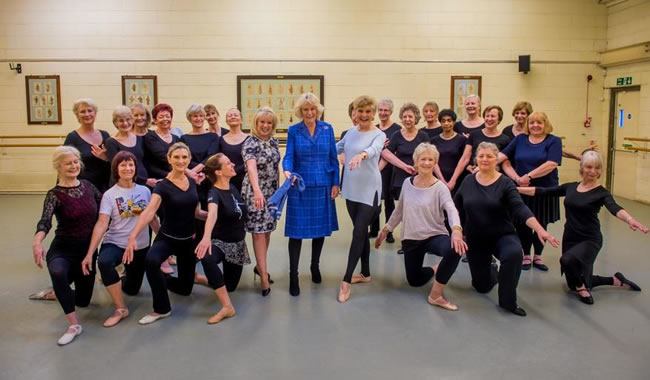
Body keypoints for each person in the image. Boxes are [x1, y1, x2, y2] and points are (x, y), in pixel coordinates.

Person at [518, 151, 648, 304]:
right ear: (582, 168)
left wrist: (629, 219)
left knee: (567, 261)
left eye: (597, 168)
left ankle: (582, 289)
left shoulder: (601, 193)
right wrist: (514, 189)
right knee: (573, 283)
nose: (593, 171)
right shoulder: (571, 187)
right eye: (589, 167)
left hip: (589, 239)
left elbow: (615, 208)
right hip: (570, 237)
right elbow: (542, 191)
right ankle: (615, 280)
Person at [454, 142, 559, 316]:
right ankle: (493, 270)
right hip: (477, 238)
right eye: (481, 156)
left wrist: (540, 230)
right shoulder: (468, 180)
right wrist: (457, 231)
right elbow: (455, 207)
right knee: (481, 286)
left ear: (497, 159)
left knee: (513, 254)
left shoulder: (505, 183)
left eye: (489, 156)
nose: (485, 159)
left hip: (502, 234)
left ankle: (508, 301)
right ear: (476, 159)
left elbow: (520, 208)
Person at [376, 143, 466, 311]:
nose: (426, 163)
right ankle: (436, 268)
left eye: (430, 159)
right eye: (423, 159)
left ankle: (436, 295)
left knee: (455, 249)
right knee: (414, 280)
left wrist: (456, 230)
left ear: (435, 162)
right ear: (415, 162)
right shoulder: (406, 183)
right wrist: (386, 229)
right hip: (411, 238)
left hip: (434, 235)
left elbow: (451, 209)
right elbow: (400, 209)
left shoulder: (440, 187)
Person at [125, 142, 207, 325]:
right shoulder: (163, 186)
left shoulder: (193, 182)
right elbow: (149, 212)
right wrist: (132, 236)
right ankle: (161, 309)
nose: (181, 161)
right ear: (169, 159)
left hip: (188, 241)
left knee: (186, 289)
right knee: (151, 260)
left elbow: (197, 213)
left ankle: (164, 280)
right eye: (176, 157)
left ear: (190, 159)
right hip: (167, 238)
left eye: (184, 157)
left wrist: (216, 216)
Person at [32, 146, 102, 345]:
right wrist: (37, 242)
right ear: (58, 167)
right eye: (68, 163)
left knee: (83, 300)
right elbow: (45, 221)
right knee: (58, 272)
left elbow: (106, 210)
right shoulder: (54, 194)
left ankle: (55, 291)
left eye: (75, 162)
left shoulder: (89, 187)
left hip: (87, 252)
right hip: (63, 248)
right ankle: (73, 325)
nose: (73, 166)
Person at [81, 151, 158, 327]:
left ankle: (118, 277)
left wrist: (164, 242)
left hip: (140, 247)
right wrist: (89, 253)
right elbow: (101, 224)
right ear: (116, 168)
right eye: (123, 165)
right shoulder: (110, 195)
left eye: (131, 164)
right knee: (105, 262)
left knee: (132, 289)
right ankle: (120, 308)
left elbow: (152, 219)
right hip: (116, 243)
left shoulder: (145, 191)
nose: (128, 168)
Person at [282, 93, 339, 296]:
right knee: (296, 233)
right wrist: (287, 171)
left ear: (318, 110)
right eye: (305, 109)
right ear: (300, 111)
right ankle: (293, 275)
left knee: (319, 231)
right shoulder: (293, 131)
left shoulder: (327, 128)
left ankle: (315, 266)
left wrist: (335, 183)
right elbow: (288, 156)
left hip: (323, 184)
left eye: (312, 108)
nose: (309, 112)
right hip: (300, 186)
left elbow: (333, 157)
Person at [336, 95, 386, 303]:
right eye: (360, 111)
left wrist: (361, 155)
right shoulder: (349, 134)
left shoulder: (379, 135)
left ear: (373, 113)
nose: (364, 115)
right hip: (351, 188)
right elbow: (336, 148)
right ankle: (365, 273)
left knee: (358, 232)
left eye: (368, 111)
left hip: (369, 190)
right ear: (354, 112)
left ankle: (346, 279)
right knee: (361, 231)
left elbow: (374, 150)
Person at [499, 111, 562, 272]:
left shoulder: (553, 141)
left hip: (545, 189)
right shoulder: (520, 139)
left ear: (545, 124)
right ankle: (526, 254)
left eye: (539, 122)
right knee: (522, 223)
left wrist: (529, 176)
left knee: (541, 222)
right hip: (522, 188)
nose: (535, 126)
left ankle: (538, 256)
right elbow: (504, 155)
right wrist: (482, 164)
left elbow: (552, 163)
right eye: (532, 122)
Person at [194, 153, 250, 323]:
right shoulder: (214, 192)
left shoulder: (232, 188)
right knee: (207, 258)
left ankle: (201, 279)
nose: (233, 164)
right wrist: (206, 238)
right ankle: (227, 307)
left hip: (237, 245)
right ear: (218, 172)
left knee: (230, 286)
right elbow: (212, 214)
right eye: (228, 163)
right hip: (219, 241)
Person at [242, 107, 281, 297]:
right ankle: (264, 277)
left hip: (272, 192)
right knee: (258, 233)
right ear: (256, 124)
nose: (265, 126)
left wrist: (280, 192)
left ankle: (260, 267)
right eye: (262, 122)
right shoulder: (250, 142)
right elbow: (251, 169)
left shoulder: (274, 141)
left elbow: (276, 167)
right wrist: (257, 192)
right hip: (255, 192)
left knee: (267, 232)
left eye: (269, 122)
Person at [380, 102, 429, 200]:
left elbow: (430, 158)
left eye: (410, 117)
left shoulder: (423, 136)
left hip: (419, 178)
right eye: (404, 117)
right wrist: (376, 172)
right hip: (400, 180)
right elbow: (387, 156)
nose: (407, 119)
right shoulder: (396, 135)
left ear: (416, 118)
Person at [369, 99, 401, 240]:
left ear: (391, 112)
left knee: (388, 200)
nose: (383, 113)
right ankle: (374, 229)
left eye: (386, 110)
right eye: (380, 110)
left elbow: (396, 150)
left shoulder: (397, 130)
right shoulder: (373, 128)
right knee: (374, 199)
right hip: (373, 169)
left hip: (389, 170)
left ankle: (389, 231)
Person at [63, 98, 110, 193]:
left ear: (95, 113)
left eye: (90, 111)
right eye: (82, 112)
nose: (87, 114)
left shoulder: (105, 135)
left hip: (105, 187)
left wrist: (106, 158)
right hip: (82, 189)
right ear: (77, 115)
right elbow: (64, 164)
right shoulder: (72, 137)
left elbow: (114, 162)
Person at [104, 105, 149, 186]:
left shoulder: (140, 139)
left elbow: (145, 162)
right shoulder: (111, 142)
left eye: (128, 119)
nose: (125, 123)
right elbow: (117, 168)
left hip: (143, 185)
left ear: (132, 120)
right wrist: (144, 180)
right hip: (124, 185)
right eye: (121, 121)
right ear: (115, 123)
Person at [460, 105, 512, 174]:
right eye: (487, 116)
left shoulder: (505, 139)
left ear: (499, 119)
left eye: (492, 116)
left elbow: (506, 164)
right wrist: (467, 166)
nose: (489, 119)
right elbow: (465, 158)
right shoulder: (474, 135)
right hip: (474, 175)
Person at [431, 109, 468, 194]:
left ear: (454, 122)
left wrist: (453, 181)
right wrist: (441, 180)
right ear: (440, 123)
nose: (446, 123)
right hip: (438, 180)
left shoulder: (462, 140)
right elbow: (433, 161)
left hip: (457, 180)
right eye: (443, 121)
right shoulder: (434, 140)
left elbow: (464, 160)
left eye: (449, 120)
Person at [143, 103, 180, 183]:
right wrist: (171, 174)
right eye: (161, 117)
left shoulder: (176, 138)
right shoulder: (150, 137)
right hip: (157, 180)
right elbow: (162, 156)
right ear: (155, 120)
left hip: (176, 179)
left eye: (168, 116)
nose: (165, 119)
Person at [217, 108, 249, 191]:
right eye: (230, 116)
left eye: (236, 115)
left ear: (241, 120)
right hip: (226, 181)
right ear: (227, 121)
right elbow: (218, 161)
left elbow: (250, 162)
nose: (233, 117)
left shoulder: (249, 140)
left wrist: (234, 171)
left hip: (245, 181)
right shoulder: (220, 140)